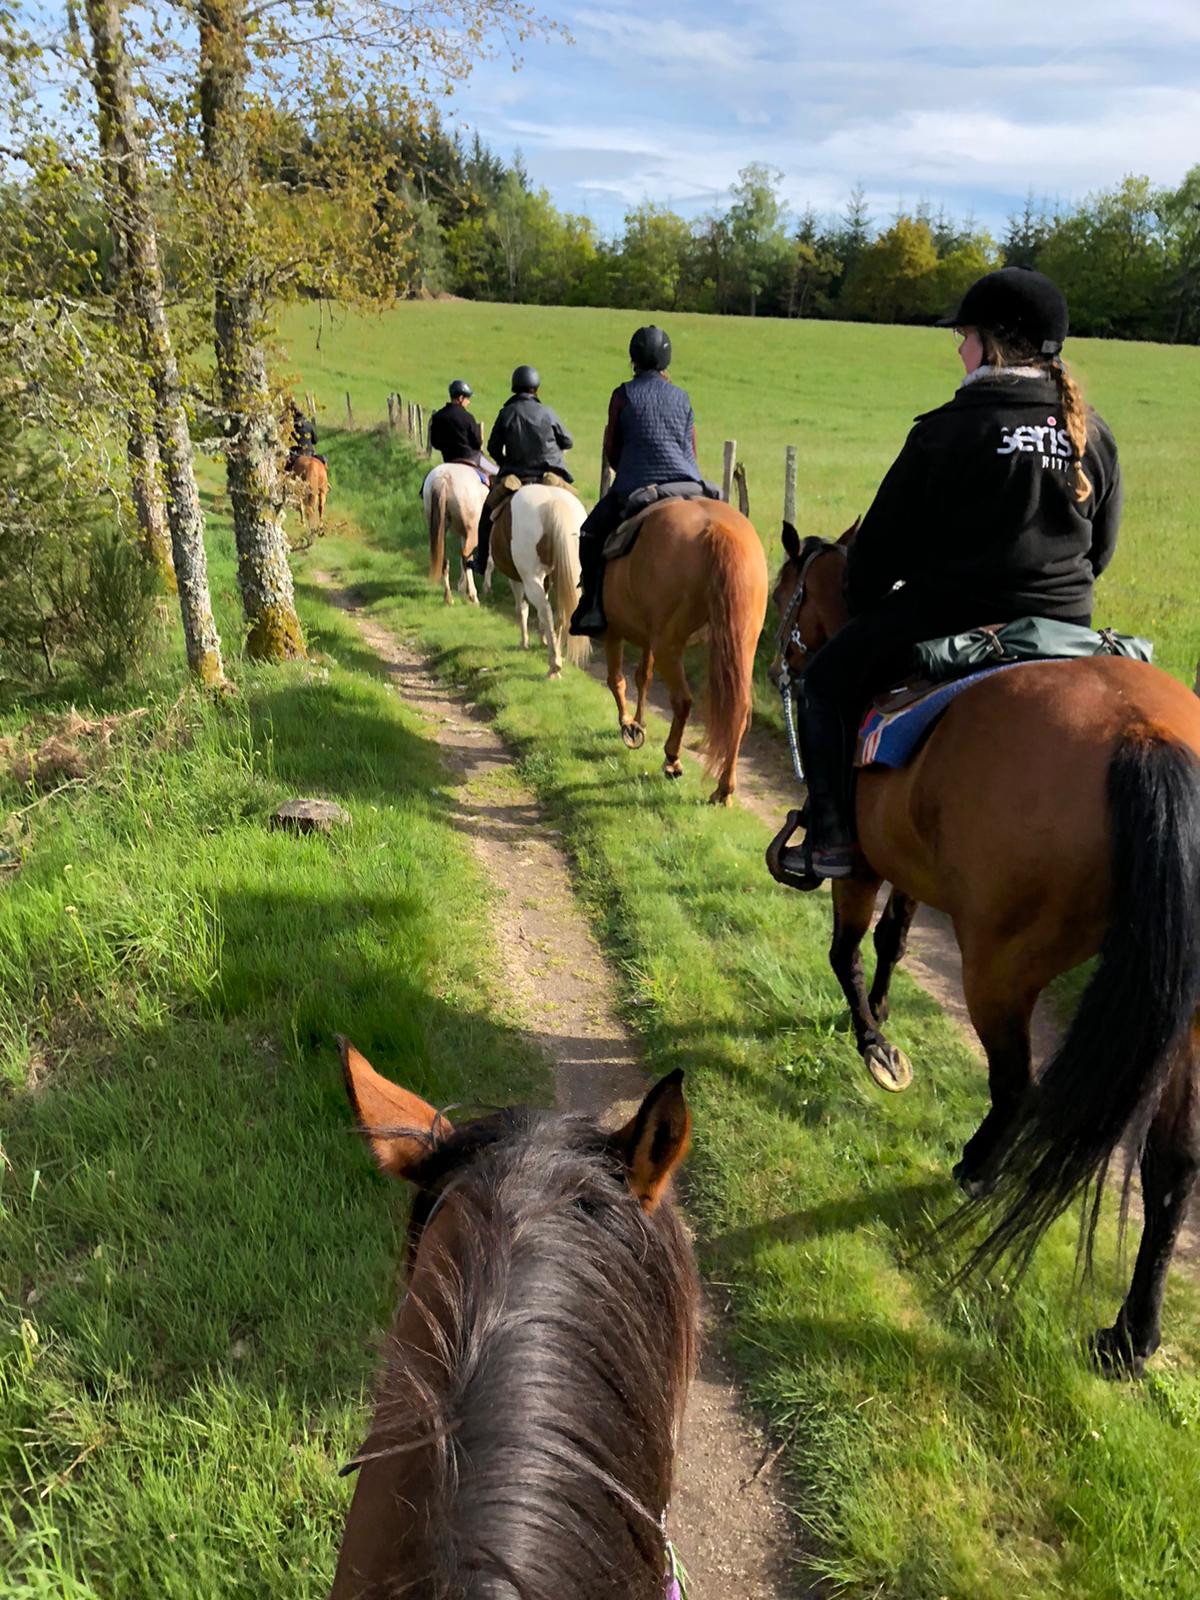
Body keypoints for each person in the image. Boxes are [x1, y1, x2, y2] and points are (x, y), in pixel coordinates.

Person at [791, 265, 1123, 884]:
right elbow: (1099, 555)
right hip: (1067, 627)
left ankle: (832, 838)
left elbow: (872, 567)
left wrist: (868, 603)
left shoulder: (947, 430)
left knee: (826, 684)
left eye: (963, 336)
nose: (960, 350)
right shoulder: (1095, 435)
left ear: (992, 344)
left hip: (953, 619)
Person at [570, 325, 703, 638]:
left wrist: (628, 467)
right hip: (688, 485)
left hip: (637, 486)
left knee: (589, 533)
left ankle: (591, 607)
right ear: (666, 360)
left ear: (634, 360)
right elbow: (690, 450)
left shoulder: (623, 395)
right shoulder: (682, 397)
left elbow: (613, 450)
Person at [470, 366, 574, 577]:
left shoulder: (507, 413)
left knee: (487, 514)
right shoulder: (548, 412)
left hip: (517, 478)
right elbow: (568, 441)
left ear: (514, 388)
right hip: (551, 478)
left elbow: (492, 448)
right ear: (536, 389)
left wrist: (505, 463)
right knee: (580, 512)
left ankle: (481, 562)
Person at [428, 380, 495, 481]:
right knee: (496, 471)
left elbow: (435, 443)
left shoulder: (438, 416)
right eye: (467, 398)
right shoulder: (467, 417)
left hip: (448, 459)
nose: (468, 402)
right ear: (460, 398)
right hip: (471, 458)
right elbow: (477, 443)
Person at [287, 401, 323, 470]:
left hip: (297, 454)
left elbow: (288, 442)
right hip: (310, 453)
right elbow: (315, 441)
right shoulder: (309, 425)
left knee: (285, 470)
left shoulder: (291, 427)